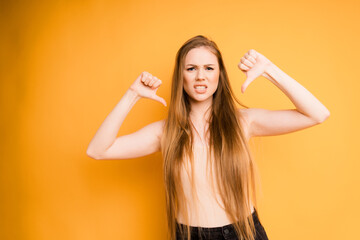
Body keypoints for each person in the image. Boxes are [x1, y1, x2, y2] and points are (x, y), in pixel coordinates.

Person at [86, 35, 330, 240]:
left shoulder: (243, 122)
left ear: (219, 75)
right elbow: (98, 150)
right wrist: (132, 94)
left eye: (209, 68)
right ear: (181, 77)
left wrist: (268, 70)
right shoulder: (165, 132)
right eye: (191, 68)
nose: (200, 76)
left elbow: (317, 114)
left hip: (243, 233)